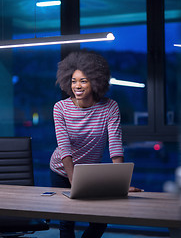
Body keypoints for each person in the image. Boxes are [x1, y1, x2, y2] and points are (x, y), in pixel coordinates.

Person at [50, 50, 141, 238]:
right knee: (67, 223)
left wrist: (120, 183)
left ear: (96, 81)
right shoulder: (60, 108)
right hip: (62, 170)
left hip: (91, 172)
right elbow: (64, 148)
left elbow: (115, 145)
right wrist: (74, 181)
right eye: (74, 80)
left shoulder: (110, 107)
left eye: (83, 80)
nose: (77, 86)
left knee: (100, 220)